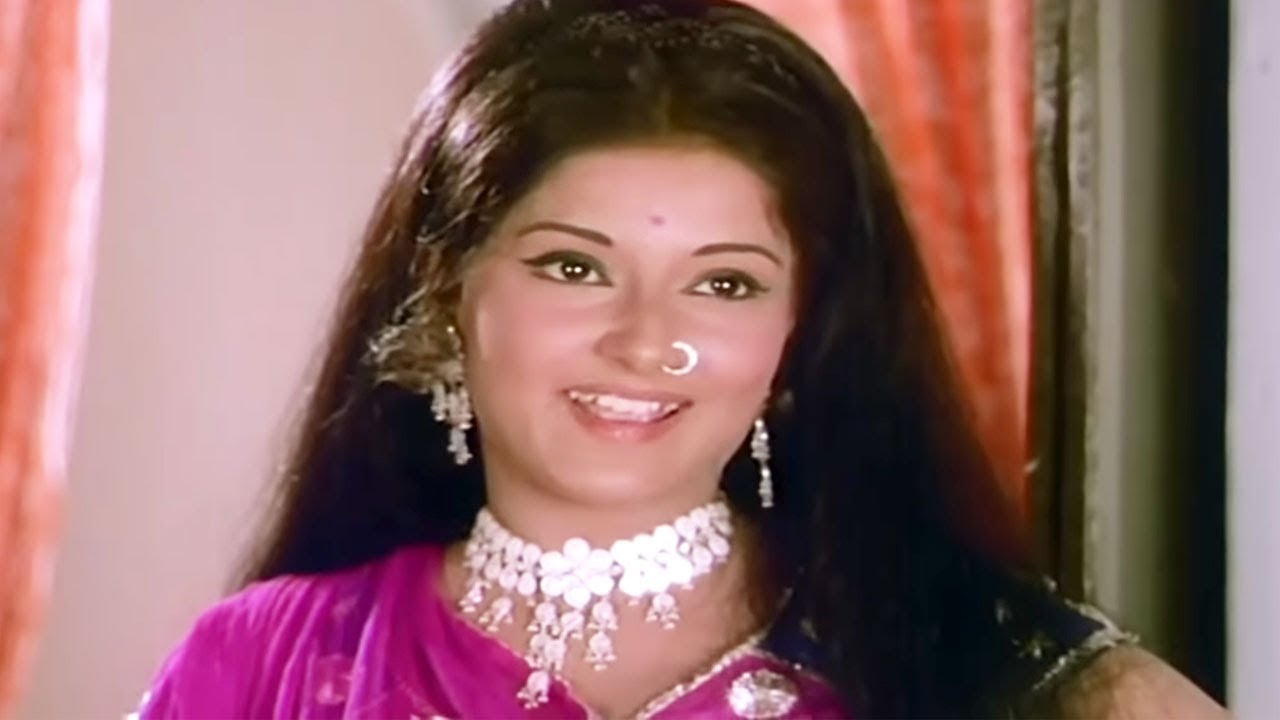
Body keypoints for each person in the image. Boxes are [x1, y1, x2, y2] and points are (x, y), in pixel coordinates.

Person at [134, 1, 1228, 717]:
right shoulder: (268, 664)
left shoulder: (977, 663)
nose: (646, 339)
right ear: (446, 289)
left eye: (725, 283)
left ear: (800, 333)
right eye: (573, 267)